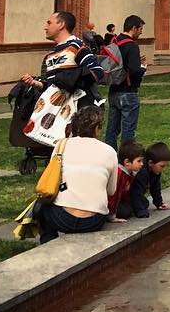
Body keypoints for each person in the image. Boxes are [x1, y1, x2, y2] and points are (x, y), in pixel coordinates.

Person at [39, 104, 117, 244]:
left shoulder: (61, 145)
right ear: (97, 129)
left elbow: (53, 179)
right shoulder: (109, 151)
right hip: (94, 220)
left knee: (41, 204)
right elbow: (111, 191)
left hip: (62, 218)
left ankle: (48, 243)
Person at [21, 10, 105, 107]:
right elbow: (51, 85)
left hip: (78, 110)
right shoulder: (51, 55)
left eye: (49, 23)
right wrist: (35, 83)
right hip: (56, 111)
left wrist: (71, 80)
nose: (45, 27)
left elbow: (98, 72)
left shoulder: (76, 46)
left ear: (61, 25)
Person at [105, 14, 146, 150]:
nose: (141, 32)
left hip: (114, 90)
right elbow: (134, 70)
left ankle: (110, 156)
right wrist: (143, 67)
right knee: (128, 130)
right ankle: (125, 159)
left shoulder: (114, 42)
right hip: (128, 91)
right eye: (140, 29)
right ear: (134, 28)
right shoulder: (132, 45)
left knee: (112, 129)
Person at [131, 142, 170, 216]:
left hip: (136, 195)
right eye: (162, 166)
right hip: (126, 195)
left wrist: (159, 203)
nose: (164, 169)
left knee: (145, 203)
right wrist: (140, 211)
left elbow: (155, 187)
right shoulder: (142, 173)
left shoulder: (155, 171)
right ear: (150, 163)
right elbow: (136, 192)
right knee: (125, 211)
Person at [107, 141, 144, 220]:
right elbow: (115, 195)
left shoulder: (130, 172)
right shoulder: (120, 175)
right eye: (139, 161)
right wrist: (112, 216)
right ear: (127, 162)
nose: (142, 164)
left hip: (123, 199)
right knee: (125, 212)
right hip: (112, 203)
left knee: (144, 203)